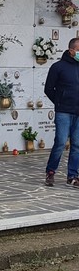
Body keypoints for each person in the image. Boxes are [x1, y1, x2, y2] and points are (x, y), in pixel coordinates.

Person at [44, 37, 79, 188]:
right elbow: (48, 89)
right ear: (71, 50)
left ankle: (73, 175)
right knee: (60, 142)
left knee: (77, 145)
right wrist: (59, 102)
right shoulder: (58, 67)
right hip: (63, 111)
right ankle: (50, 172)